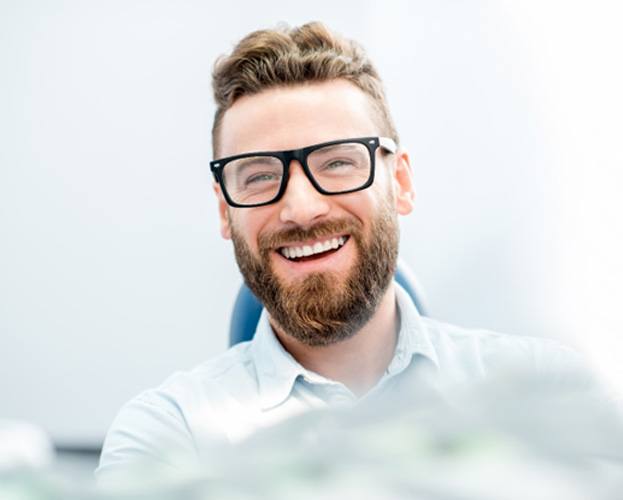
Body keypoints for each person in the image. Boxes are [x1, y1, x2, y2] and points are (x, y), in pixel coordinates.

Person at [96, 22, 597, 484]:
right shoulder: (169, 436)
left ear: (399, 182)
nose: (300, 207)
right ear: (225, 212)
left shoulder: (547, 393)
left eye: (337, 162)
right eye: (260, 175)